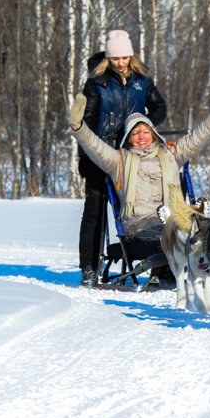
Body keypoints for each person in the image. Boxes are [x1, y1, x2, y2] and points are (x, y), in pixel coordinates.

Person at [68, 91, 210, 288]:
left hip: (173, 221)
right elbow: (95, 147)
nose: (141, 137)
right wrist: (78, 127)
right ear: (128, 138)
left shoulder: (171, 154)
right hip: (140, 228)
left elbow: (198, 137)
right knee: (182, 230)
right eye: (135, 133)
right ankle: (171, 267)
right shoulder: (118, 161)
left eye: (145, 131)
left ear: (153, 134)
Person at [77, 29, 167, 287]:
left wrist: (144, 127)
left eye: (125, 57)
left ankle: (151, 257)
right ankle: (88, 267)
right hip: (99, 154)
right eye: (116, 58)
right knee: (94, 211)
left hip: (132, 155)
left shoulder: (142, 80)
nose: (121, 63)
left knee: (136, 207)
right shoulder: (96, 83)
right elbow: (89, 117)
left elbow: (160, 107)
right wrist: (99, 143)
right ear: (108, 57)